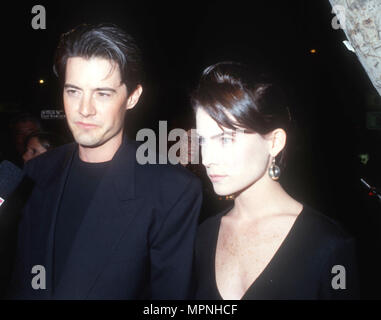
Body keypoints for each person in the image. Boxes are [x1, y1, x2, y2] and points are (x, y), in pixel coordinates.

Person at [8, 23, 202, 299]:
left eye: (102, 93)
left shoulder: (173, 191)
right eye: (73, 91)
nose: (84, 109)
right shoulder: (37, 171)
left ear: (132, 97)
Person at [192, 62, 358, 299]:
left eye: (226, 139)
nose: (207, 158)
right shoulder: (202, 237)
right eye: (203, 141)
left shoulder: (329, 244)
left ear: (274, 142)